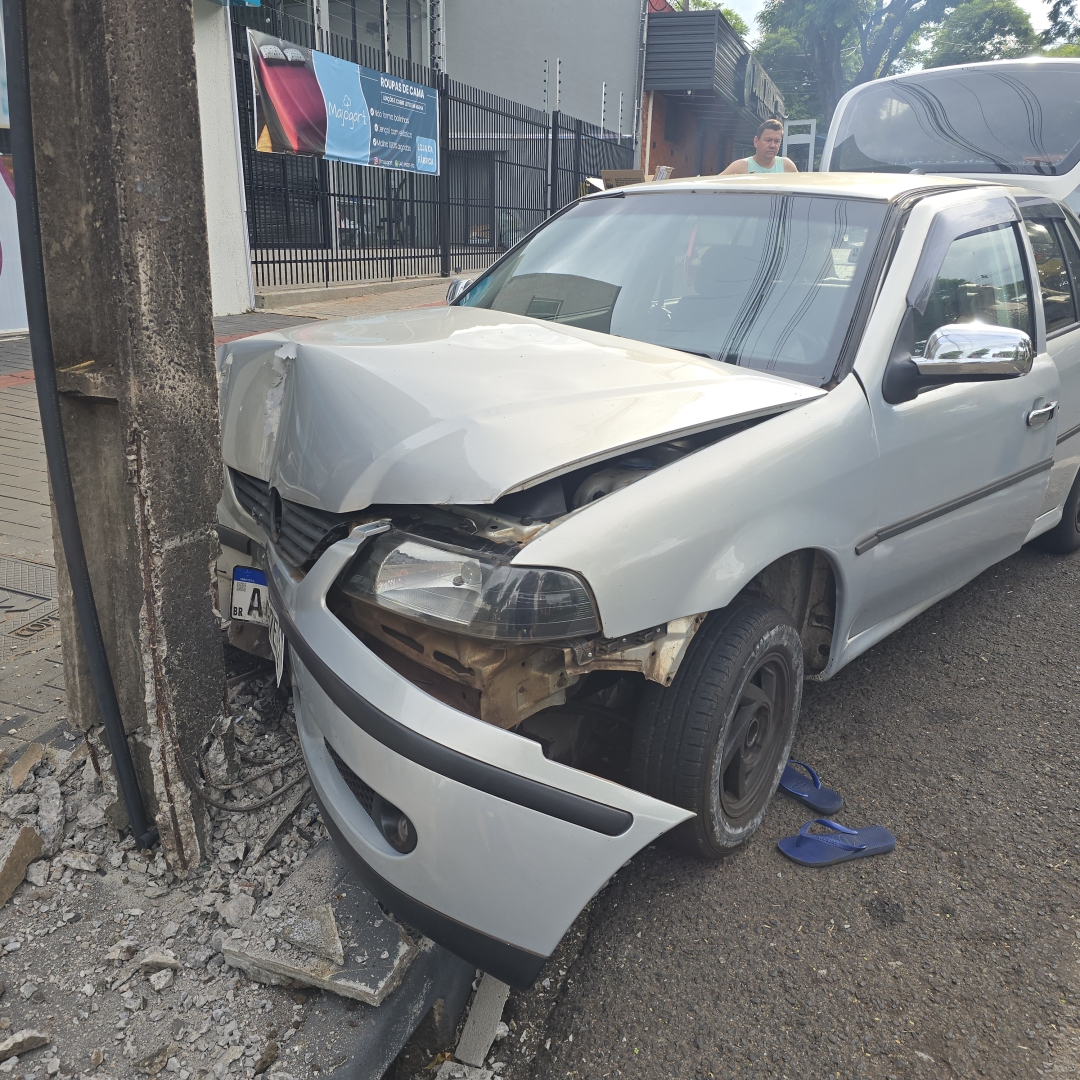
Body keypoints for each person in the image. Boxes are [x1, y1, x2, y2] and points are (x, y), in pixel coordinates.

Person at [721, 119, 798, 175]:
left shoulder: (787, 167)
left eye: (777, 141)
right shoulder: (740, 167)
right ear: (756, 141)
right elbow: (714, 188)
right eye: (768, 140)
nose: (772, 145)